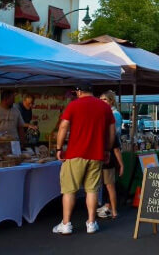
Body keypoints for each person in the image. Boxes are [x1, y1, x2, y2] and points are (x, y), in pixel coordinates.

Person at [53, 84, 115, 235]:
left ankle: (66, 224)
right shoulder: (105, 107)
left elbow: (63, 127)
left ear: (79, 91)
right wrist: (107, 149)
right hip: (96, 154)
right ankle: (91, 223)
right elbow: (112, 131)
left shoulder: (73, 105)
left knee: (69, 190)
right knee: (92, 190)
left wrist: (59, 148)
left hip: (75, 153)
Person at [97, 91, 125, 219]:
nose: (101, 102)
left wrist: (121, 164)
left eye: (104, 100)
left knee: (109, 184)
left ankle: (112, 209)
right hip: (104, 152)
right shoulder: (106, 114)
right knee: (103, 183)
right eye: (100, 99)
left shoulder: (114, 115)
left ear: (111, 101)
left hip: (110, 152)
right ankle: (107, 206)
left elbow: (114, 140)